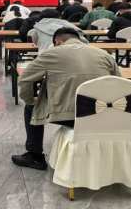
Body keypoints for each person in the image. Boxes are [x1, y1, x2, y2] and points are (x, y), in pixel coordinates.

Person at [12, 28, 121, 170]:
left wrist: (30, 100)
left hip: (68, 116)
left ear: (57, 42)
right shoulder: (104, 54)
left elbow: (24, 79)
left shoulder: (51, 53)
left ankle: (35, 156)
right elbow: (120, 84)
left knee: (31, 107)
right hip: (102, 114)